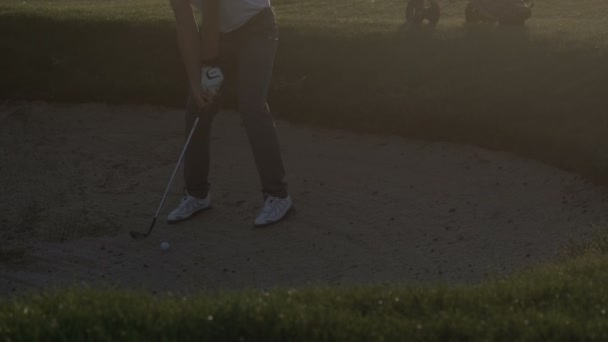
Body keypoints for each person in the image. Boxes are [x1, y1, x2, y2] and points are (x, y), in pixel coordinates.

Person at [167, 0, 293, 227]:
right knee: (198, 107)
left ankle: (278, 195)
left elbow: (212, 7)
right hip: (219, 35)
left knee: (251, 105)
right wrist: (196, 84)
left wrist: (209, 64)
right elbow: (184, 24)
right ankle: (196, 194)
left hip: (256, 26)